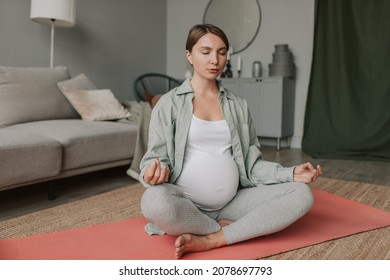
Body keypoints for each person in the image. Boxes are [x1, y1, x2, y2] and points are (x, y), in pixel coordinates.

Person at [139, 23, 323, 259]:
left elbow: (251, 163)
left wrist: (291, 173)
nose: (214, 60)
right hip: (186, 205)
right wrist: (154, 171)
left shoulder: (238, 105)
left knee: (302, 194)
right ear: (189, 55)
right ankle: (225, 228)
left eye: (222, 52)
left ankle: (213, 239)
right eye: (205, 52)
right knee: (154, 202)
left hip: (233, 202)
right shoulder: (168, 103)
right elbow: (155, 158)